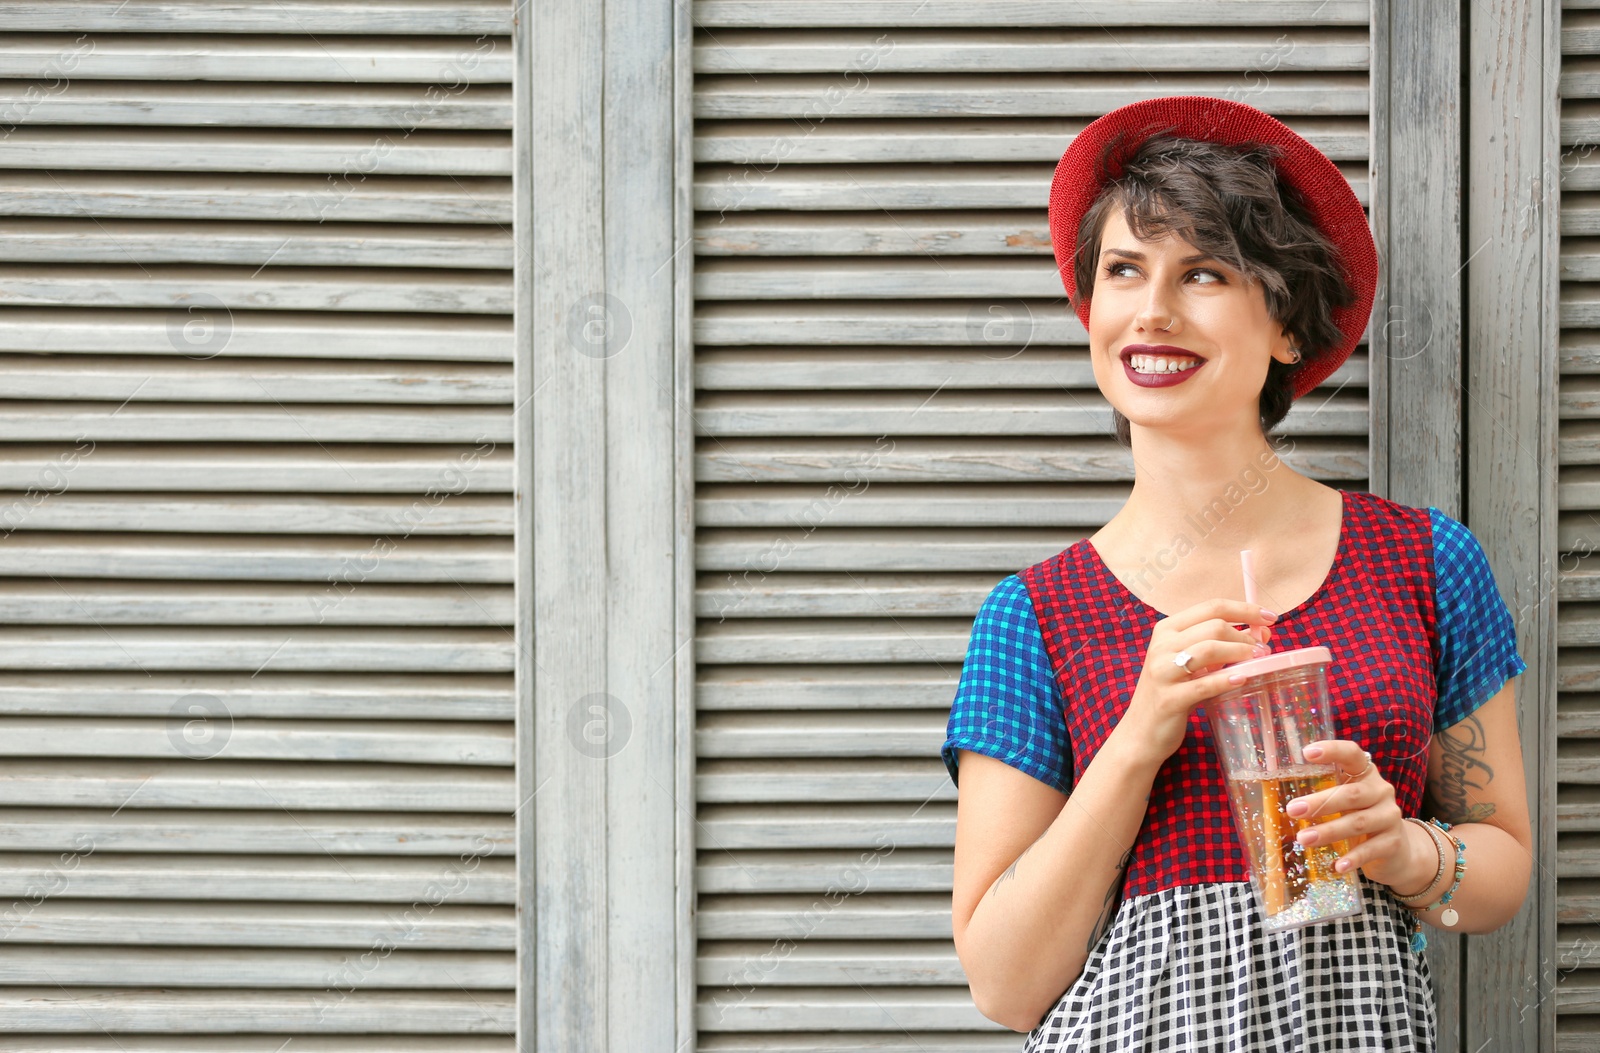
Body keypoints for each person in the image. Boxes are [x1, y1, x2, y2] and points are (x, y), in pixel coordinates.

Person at [940, 96, 1534, 1051]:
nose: (1151, 310)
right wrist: (1139, 737)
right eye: (1123, 271)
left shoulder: (1426, 562)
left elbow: (1499, 870)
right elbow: (1006, 986)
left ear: (1290, 330)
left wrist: (1407, 847)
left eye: (1204, 272)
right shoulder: (1033, 616)